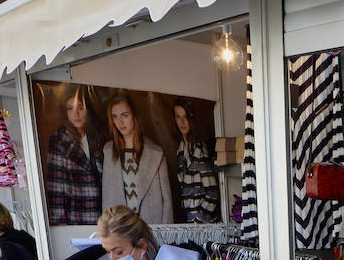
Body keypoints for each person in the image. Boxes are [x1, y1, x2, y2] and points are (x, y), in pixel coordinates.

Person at [101, 93, 172, 225]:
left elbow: (167, 201)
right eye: (115, 117)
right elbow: (107, 200)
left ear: (134, 115)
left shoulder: (155, 153)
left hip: (151, 228)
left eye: (125, 115)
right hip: (120, 229)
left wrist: (165, 233)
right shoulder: (109, 152)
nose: (120, 122)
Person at [45, 84, 104, 226]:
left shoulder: (98, 137)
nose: (75, 114)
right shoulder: (59, 140)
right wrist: (60, 227)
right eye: (70, 108)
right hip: (76, 217)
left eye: (80, 108)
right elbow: (56, 188)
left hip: (103, 214)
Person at [172, 98, 220, 224]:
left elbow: (212, 193)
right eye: (178, 117)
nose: (182, 122)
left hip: (203, 224)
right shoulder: (181, 149)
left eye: (185, 117)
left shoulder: (199, 150)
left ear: (191, 118)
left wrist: (199, 220)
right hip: (190, 221)